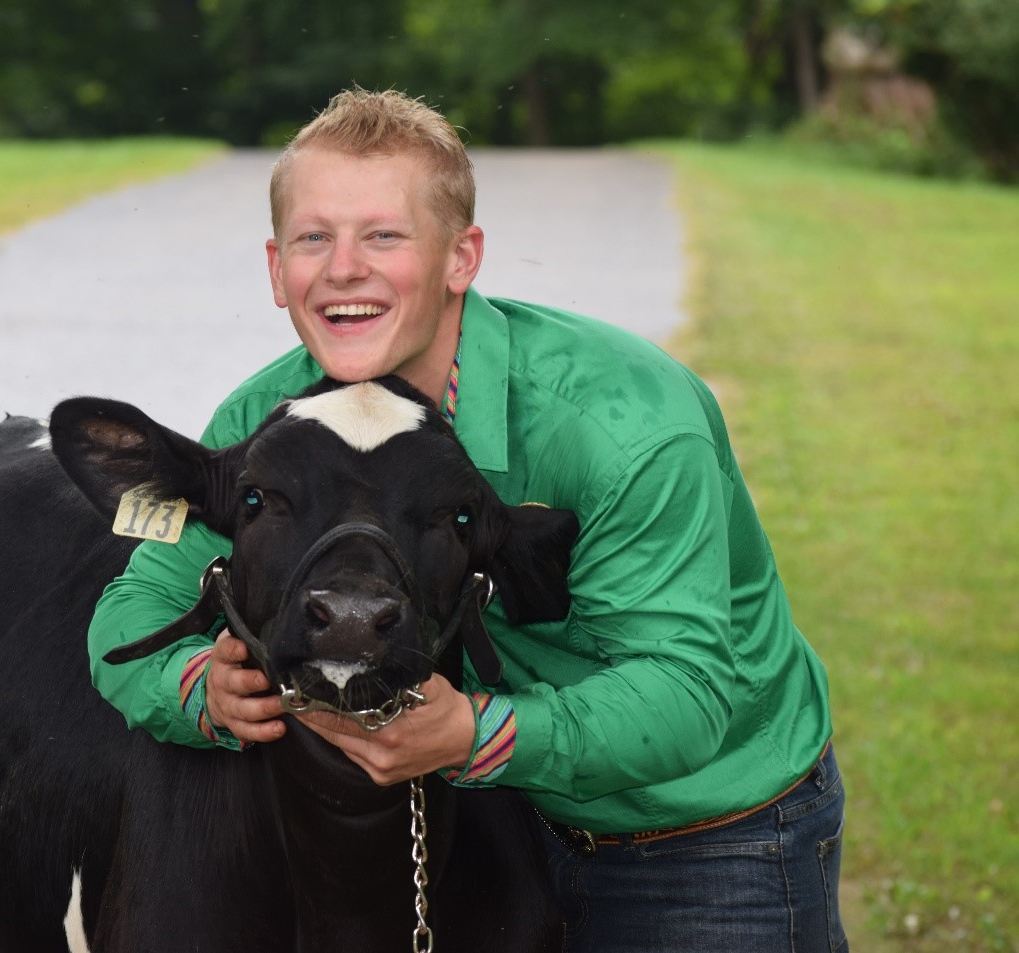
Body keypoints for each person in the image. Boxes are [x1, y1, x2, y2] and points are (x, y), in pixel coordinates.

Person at [87, 88, 847, 952]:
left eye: (383, 235)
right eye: (313, 237)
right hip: (483, 823)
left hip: (695, 835)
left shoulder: (623, 426)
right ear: (275, 269)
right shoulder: (268, 426)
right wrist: (205, 692)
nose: (343, 268)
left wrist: (473, 734)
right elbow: (131, 617)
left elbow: (686, 692)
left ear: (461, 257)